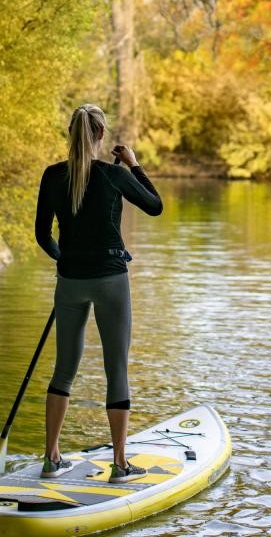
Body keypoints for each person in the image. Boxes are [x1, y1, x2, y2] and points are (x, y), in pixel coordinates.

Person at [35, 103, 163, 482]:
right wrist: (134, 164)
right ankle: (120, 464)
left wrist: (66, 263)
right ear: (101, 135)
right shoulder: (112, 175)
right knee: (116, 369)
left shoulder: (52, 175)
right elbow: (155, 206)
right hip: (110, 280)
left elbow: (43, 235)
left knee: (64, 369)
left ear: (70, 133)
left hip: (70, 282)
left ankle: (51, 458)